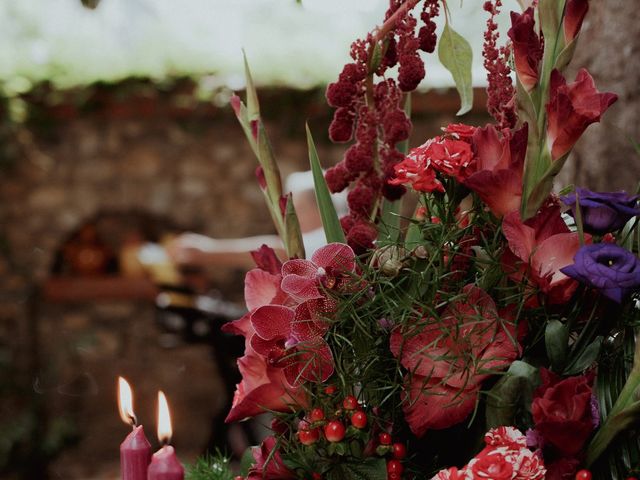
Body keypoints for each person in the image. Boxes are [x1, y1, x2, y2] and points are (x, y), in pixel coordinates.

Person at [167, 171, 346, 268]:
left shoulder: (334, 238)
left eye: (297, 210)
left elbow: (282, 251)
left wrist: (210, 250)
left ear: (322, 210)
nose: (289, 220)